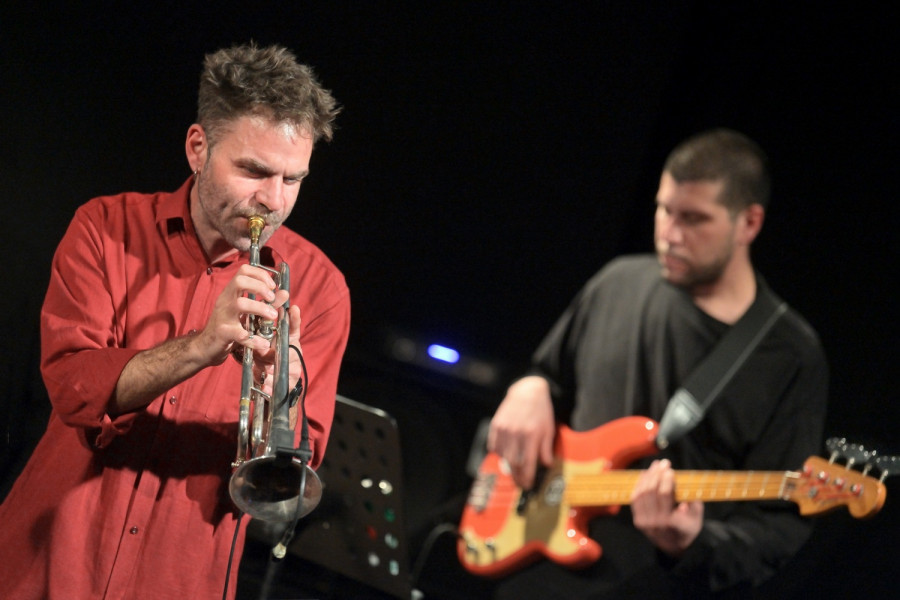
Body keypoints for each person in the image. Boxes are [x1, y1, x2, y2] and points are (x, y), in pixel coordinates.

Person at [0, 43, 350, 599]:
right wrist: (200, 345)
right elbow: (73, 388)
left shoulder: (321, 287)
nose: (273, 201)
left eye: (292, 179)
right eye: (254, 171)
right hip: (50, 566)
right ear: (197, 148)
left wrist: (276, 393)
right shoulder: (105, 227)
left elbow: (289, 475)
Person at [486, 129, 828, 599]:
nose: (669, 234)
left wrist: (691, 543)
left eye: (693, 218)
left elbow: (776, 531)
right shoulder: (618, 282)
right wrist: (528, 388)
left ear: (749, 223)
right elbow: (548, 376)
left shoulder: (790, 354)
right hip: (532, 570)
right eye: (664, 210)